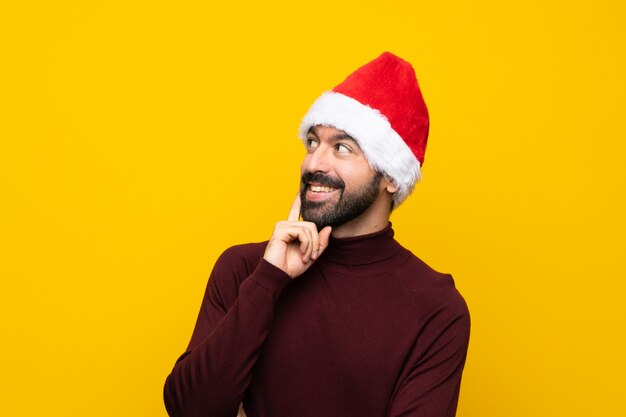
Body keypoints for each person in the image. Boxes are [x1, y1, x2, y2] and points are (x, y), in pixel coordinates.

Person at [163, 52, 470, 417]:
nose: (314, 163)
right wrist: (268, 281)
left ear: (390, 176)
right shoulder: (246, 269)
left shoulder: (436, 309)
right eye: (312, 142)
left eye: (341, 148)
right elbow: (191, 409)